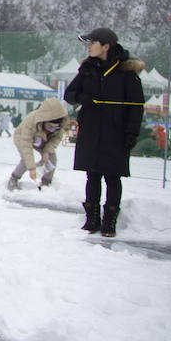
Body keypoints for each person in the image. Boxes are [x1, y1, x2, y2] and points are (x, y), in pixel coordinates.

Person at [64, 28, 144, 238]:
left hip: (116, 132)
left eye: (92, 43)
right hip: (91, 130)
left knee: (113, 177)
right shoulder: (87, 68)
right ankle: (92, 218)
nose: (89, 46)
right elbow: (70, 94)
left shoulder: (126, 72)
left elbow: (136, 106)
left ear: (106, 46)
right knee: (92, 175)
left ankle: (110, 220)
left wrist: (132, 133)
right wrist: (84, 98)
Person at [7, 97, 69, 190]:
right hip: (23, 137)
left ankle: (46, 182)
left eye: (55, 128)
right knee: (25, 159)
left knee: (52, 158)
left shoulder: (61, 125)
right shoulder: (31, 121)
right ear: (44, 121)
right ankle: (14, 178)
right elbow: (26, 146)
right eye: (49, 126)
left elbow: (56, 139)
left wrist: (46, 152)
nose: (52, 129)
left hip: (44, 140)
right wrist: (32, 168)